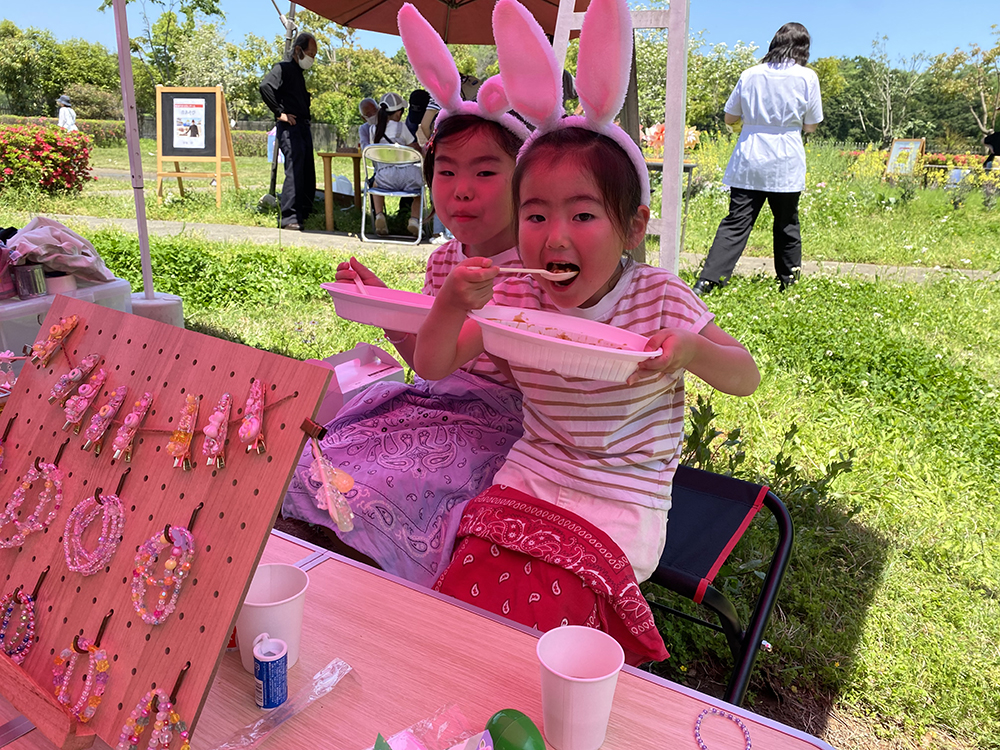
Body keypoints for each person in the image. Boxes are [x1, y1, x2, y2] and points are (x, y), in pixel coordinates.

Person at [413, 0, 760, 665]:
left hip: (625, 496)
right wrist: (451, 305)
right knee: (466, 577)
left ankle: (544, 701)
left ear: (633, 229)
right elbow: (433, 363)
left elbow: (745, 376)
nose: (556, 235)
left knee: (555, 609)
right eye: (536, 214)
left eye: (583, 214)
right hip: (533, 471)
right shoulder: (513, 292)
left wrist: (691, 351)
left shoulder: (657, 298)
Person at [281, 3, 531, 587]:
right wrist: (384, 307)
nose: (461, 189)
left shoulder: (529, 269)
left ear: (526, 180)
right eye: (446, 171)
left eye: (486, 172)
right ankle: (315, 549)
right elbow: (427, 357)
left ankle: (370, 571)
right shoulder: (445, 256)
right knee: (327, 454)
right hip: (433, 398)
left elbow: (493, 365)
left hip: (494, 421)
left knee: (391, 484)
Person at [692, 22, 823, 296]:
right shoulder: (806, 77)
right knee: (787, 222)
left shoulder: (750, 74)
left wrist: (750, 123)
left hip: (750, 155)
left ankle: (709, 280)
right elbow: (811, 124)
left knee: (737, 221)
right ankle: (789, 281)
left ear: (774, 43)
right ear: (803, 48)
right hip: (786, 156)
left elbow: (730, 117)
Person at [260, 32, 319, 231]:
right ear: (298, 50)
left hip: (303, 125)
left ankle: (305, 210)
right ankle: (289, 218)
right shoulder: (282, 68)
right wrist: (280, 113)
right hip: (290, 126)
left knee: (306, 170)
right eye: (310, 53)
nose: (312, 58)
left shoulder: (298, 74)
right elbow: (265, 86)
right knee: (294, 169)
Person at [367, 92, 426, 237]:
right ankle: (413, 219)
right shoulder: (402, 128)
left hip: (385, 177)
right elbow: (415, 149)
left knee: (375, 185)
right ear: (399, 113)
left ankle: (380, 215)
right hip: (409, 176)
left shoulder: (373, 130)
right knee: (419, 191)